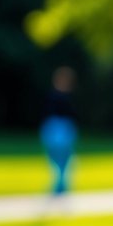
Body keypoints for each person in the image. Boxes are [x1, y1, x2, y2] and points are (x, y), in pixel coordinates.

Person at [40, 65, 78, 196]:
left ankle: (60, 187)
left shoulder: (66, 96)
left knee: (64, 161)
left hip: (63, 129)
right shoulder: (55, 96)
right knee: (57, 160)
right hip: (56, 129)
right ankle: (59, 186)